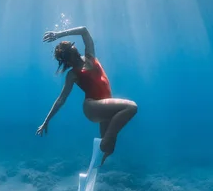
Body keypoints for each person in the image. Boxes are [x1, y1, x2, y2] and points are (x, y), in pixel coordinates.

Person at [36, 26, 137, 165]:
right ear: (68, 59)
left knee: (108, 148)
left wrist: (58, 34)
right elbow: (61, 99)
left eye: (72, 46)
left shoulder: (90, 56)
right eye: (71, 49)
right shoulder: (73, 74)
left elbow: (84, 30)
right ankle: (108, 140)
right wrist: (46, 121)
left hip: (105, 105)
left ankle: (101, 157)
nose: (74, 48)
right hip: (92, 106)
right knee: (131, 108)